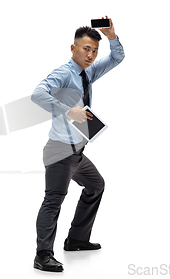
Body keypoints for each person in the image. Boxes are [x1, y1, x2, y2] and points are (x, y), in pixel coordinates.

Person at [30, 16, 125, 272]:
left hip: (77, 152)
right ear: (73, 49)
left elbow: (117, 58)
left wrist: (111, 37)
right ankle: (43, 255)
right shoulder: (63, 73)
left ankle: (76, 240)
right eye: (86, 49)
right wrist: (66, 111)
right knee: (54, 200)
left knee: (96, 185)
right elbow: (37, 94)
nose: (91, 55)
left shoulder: (88, 72)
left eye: (94, 50)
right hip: (60, 152)